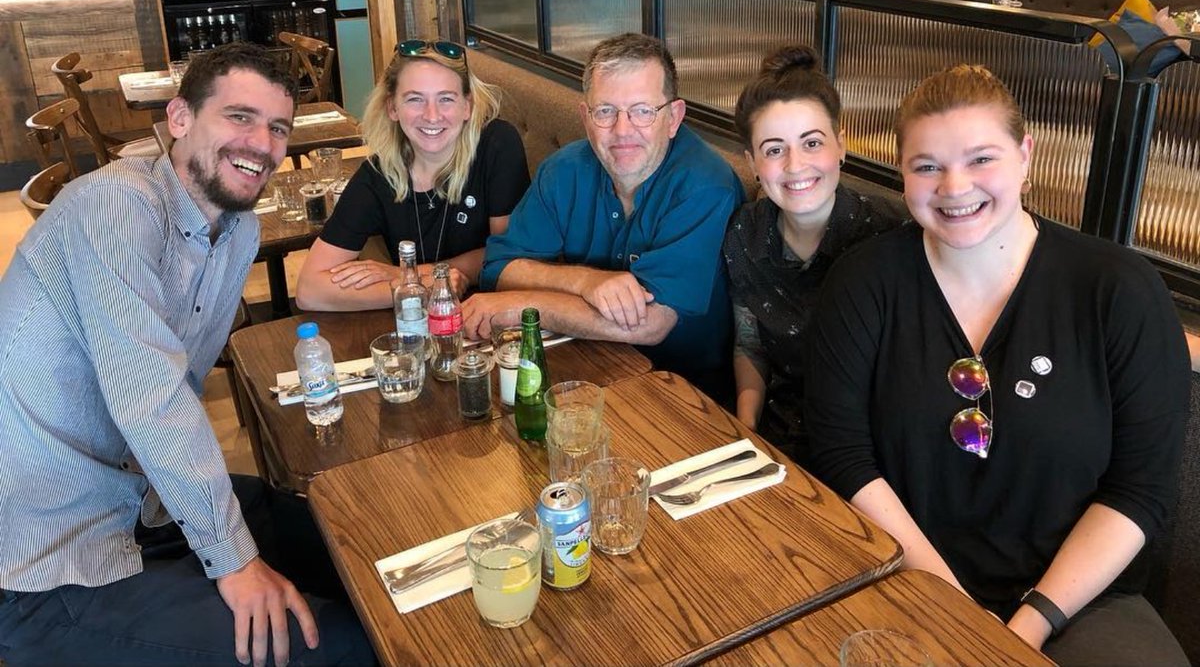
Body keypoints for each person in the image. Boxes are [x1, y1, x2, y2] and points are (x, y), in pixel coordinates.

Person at [0, 43, 373, 667]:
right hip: (43, 558)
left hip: (135, 505)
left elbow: (182, 386)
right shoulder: (115, 204)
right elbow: (153, 399)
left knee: (335, 540)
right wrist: (236, 562)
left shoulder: (236, 230)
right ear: (179, 118)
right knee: (337, 647)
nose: (261, 143)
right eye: (239, 117)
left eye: (277, 127)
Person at [805, 65, 1189, 666]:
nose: (954, 187)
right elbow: (841, 455)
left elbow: (1140, 491)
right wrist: (951, 607)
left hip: (1076, 601)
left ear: (1025, 155)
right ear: (902, 172)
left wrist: (1029, 625)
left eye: (981, 159)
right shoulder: (865, 282)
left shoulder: (1118, 290)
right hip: (897, 571)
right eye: (927, 166)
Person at [463, 33, 745, 404]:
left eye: (643, 111)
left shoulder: (706, 186)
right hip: (584, 367)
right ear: (585, 116)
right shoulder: (563, 171)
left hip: (686, 394)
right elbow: (499, 267)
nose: (623, 130)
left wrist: (518, 307)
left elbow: (650, 322)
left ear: (673, 118)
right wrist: (584, 282)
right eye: (606, 111)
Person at [721, 46, 904, 463]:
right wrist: (744, 430)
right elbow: (750, 344)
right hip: (780, 434)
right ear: (752, 163)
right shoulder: (745, 233)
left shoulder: (889, 234)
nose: (795, 164)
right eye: (773, 149)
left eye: (812, 143)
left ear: (840, 146)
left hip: (872, 449)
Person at [296, 38, 529, 308]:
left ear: (468, 106)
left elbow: (508, 256)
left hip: (492, 315)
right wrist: (417, 289)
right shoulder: (378, 174)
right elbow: (309, 290)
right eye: (415, 99)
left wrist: (408, 274)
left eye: (446, 99)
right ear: (392, 107)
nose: (432, 116)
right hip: (418, 324)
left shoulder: (497, 144)